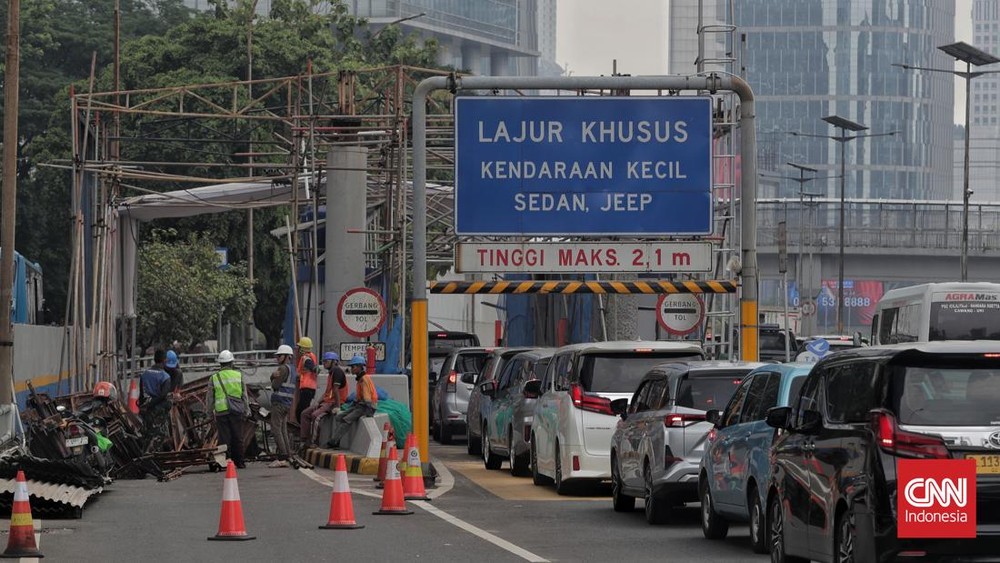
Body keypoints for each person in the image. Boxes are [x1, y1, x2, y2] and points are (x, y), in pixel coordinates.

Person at [206, 350, 249, 468]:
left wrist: (209, 414)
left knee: (224, 438)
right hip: (237, 411)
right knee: (238, 437)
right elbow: (244, 395)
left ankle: (226, 463)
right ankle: (240, 462)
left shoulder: (214, 378)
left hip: (221, 412)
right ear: (232, 363)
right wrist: (246, 410)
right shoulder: (238, 375)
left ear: (220, 364)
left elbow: (210, 399)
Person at [327, 355, 378, 449]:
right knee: (339, 417)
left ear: (359, 367)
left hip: (366, 407)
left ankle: (334, 442)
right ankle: (336, 440)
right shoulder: (360, 379)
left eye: (353, 367)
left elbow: (367, 397)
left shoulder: (364, 379)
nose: (351, 369)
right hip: (360, 405)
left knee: (347, 419)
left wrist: (369, 411)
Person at [299, 351, 347, 448]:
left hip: (333, 403)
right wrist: (318, 402)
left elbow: (336, 391)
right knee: (304, 413)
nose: (324, 363)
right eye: (324, 361)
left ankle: (314, 442)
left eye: (326, 361)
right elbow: (327, 392)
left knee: (315, 416)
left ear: (334, 362)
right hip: (327, 402)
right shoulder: (331, 373)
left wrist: (337, 407)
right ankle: (304, 439)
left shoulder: (337, 372)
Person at [268, 345, 296, 468]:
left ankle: (282, 457)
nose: (277, 358)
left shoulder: (283, 369)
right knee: (283, 429)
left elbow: (275, 385)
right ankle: (287, 454)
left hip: (279, 402)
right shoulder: (292, 369)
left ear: (286, 356)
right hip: (286, 403)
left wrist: (272, 376)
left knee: (276, 429)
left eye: (279, 356)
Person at [139, 349, 173, 440]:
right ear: (165, 360)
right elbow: (163, 395)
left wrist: (144, 405)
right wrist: (151, 405)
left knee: (147, 432)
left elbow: (141, 394)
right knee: (169, 403)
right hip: (156, 408)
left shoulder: (144, 374)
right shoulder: (165, 376)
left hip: (145, 407)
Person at [295, 336, 319, 424]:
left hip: (307, 388)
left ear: (303, 348)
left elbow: (312, 367)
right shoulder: (310, 356)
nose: (298, 349)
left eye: (300, 347)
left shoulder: (306, 358)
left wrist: (313, 369)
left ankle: (304, 429)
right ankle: (304, 428)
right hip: (309, 387)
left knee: (301, 411)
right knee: (302, 410)